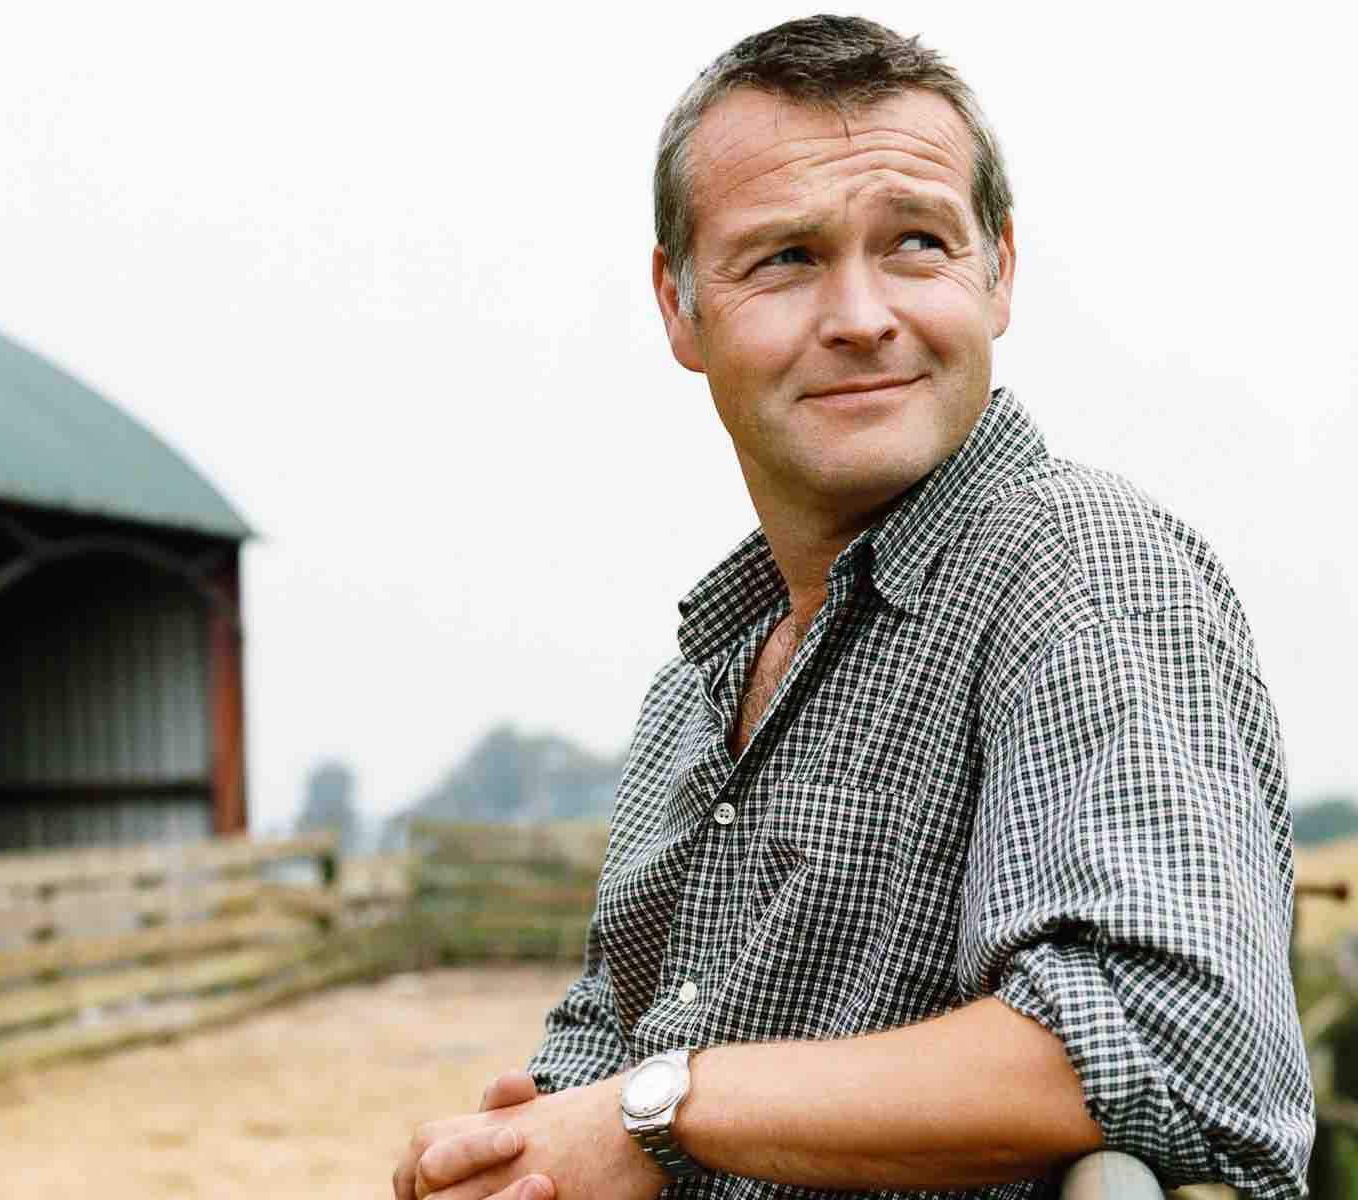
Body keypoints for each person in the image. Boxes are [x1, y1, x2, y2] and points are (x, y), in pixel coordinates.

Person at [391, 14, 1311, 1200]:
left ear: (999, 272)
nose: (863, 315)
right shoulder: (699, 678)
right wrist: (515, 1156)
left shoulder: (1074, 565)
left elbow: (1171, 1045)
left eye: (917, 242)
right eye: (785, 257)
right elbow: (602, 1040)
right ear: (680, 306)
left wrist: (657, 1112)